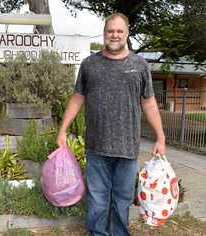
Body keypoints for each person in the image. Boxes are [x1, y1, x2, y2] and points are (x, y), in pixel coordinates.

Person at [56, 13, 166, 236]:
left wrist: (160, 137)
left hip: (127, 148)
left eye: (119, 31)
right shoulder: (90, 64)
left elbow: (149, 102)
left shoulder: (139, 65)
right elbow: (78, 98)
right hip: (97, 147)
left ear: (126, 33)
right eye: (110, 31)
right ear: (104, 33)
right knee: (97, 201)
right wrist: (63, 130)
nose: (114, 35)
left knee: (122, 201)